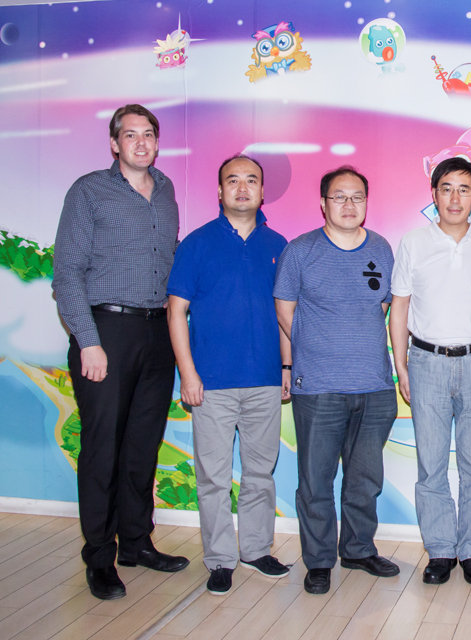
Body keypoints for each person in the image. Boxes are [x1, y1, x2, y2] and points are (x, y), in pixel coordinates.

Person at [52, 104, 189, 600]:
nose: (141, 142)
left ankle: (136, 542)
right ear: (114, 143)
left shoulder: (167, 190)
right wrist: (88, 341)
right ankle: (99, 557)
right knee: (103, 448)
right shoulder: (89, 191)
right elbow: (67, 273)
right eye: (130, 135)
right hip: (106, 331)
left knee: (142, 446)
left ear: (157, 141)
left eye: (148, 134)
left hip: (157, 333)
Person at [166, 155, 291, 595]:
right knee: (213, 478)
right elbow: (176, 312)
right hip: (211, 384)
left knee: (260, 473)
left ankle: (256, 549)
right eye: (232, 180)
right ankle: (220, 559)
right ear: (219, 191)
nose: (242, 188)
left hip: (265, 380)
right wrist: (188, 374)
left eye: (251, 180)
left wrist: (287, 366)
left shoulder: (278, 244)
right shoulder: (196, 244)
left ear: (262, 191)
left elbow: (285, 313)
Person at [274, 166, 399, 596]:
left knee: (365, 479)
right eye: (339, 197)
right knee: (316, 481)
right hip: (319, 387)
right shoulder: (301, 251)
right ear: (323, 203)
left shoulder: (381, 248)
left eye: (357, 197)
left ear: (366, 202)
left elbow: (383, 307)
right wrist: (312, 347)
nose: (349, 205)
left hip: (375, 386)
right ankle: (319, 560)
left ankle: (359, 549)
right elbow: (284, 309)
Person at [389, 157, 471, 586]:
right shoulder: (413, 243)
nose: (455, 198)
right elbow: (399, 307)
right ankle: (441, 550)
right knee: (432, 464)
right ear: (434, 193)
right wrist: (401, 364)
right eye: (446, 188)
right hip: (427, 363)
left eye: (464, 189)